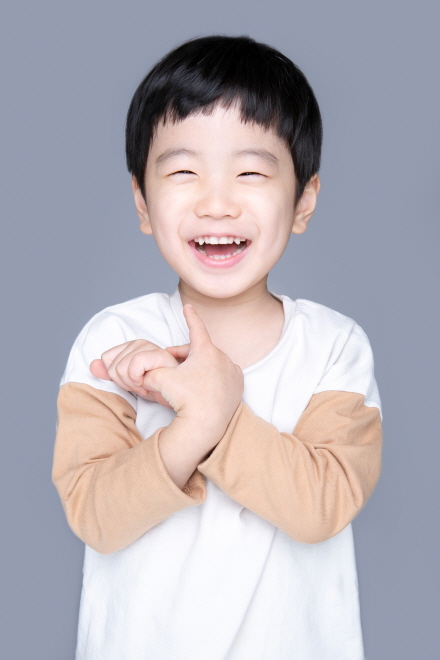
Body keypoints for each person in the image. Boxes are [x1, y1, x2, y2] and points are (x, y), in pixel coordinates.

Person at [52, 34, 383, 660]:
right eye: (183, 172)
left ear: (304, 200)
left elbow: (324, 505)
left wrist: (220, 415)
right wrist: (193, 428)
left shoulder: (334, 348)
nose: (217, 202)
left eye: (251, 172)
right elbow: (94, 513)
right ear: (142, 202)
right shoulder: (113, 342)